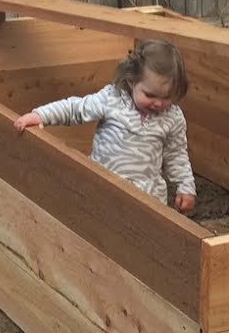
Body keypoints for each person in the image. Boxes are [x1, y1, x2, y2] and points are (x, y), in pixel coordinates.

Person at [13, 39, 197, 213]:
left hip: (147, 194)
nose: (158, 103)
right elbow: (74, 109)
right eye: (150, 95)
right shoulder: (112, 99)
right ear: (131, 81)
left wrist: (186, 186)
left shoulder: (172, 117)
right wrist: (40, 115)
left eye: (166, 97)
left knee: (142, 232)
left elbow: (176, 154)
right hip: (102, 185)